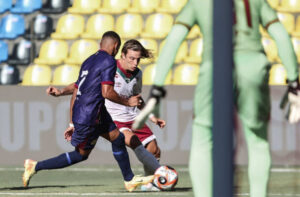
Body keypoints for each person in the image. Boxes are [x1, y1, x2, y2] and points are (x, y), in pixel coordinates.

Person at [133, 0, 300, 196]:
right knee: (258, 141)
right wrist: (294, 82)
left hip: (215, 67)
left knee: (202, 138)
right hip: (254, 66)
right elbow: (279, 34)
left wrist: (157, 90)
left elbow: (174, 39)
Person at [22, 31, 154, 192]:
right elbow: (106, 92)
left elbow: (78, 87)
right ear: (116, 47)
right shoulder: (109, 61)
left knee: (118, 138)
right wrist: (128, 101)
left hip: (93, 113)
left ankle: (129, 179)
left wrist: (61, 92)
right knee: (81, 154)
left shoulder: (89, 61)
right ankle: (35, 165)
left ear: (100, 45)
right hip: (90, 115)